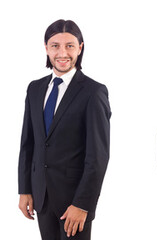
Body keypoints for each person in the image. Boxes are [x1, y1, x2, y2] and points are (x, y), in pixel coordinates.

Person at [17, 19, 111, 240]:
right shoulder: (35, 89)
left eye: (69, 45)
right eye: (55, 45)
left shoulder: (93, 92)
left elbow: (98, 156)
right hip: (42, 197)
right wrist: (24, 189)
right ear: (46, 48)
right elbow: (28, 143)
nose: (62, 53)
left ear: (80, 47)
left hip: (74, 202)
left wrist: (83, 204)